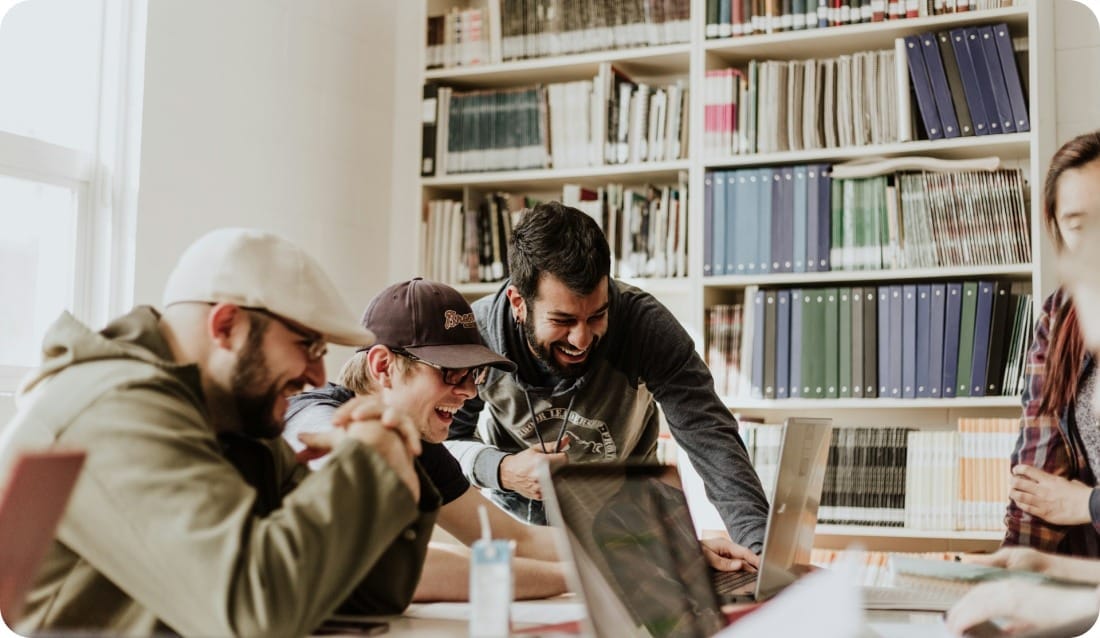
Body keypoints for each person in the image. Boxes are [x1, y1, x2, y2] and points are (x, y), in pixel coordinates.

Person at [0, 229, 438, 636]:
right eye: (308, 346)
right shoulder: (114, 409)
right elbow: (253, 613)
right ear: (226, 326)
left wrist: (394, 464)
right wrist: (367, 465)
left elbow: (363, 596)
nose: (318, 375)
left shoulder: (232, 418)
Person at [444, 201, 770, 563]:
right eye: (563, 320)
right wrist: (502, 470)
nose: (582, 339)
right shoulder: (477, 335)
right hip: (523, 534)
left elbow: (711, 437)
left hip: (630, 527)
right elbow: (444, 445)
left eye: (597, 315)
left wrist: (761, 556)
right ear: (519, 302)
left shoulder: (645, 326)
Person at [283, 277, 566, 601]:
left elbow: (514, 539)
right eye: (451, 372)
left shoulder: (416, 444)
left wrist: (616, 553)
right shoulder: (313, 419)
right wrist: (576, 579)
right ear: (383, 366)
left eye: (473, 374)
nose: (470, 392)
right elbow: (392, 564)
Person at [1004, 130, 1100, 556]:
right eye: (1079, 225)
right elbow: (1037, 481)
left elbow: (1069, 501)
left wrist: (1087, 503)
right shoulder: (1060, 316)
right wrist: (1010, 571)